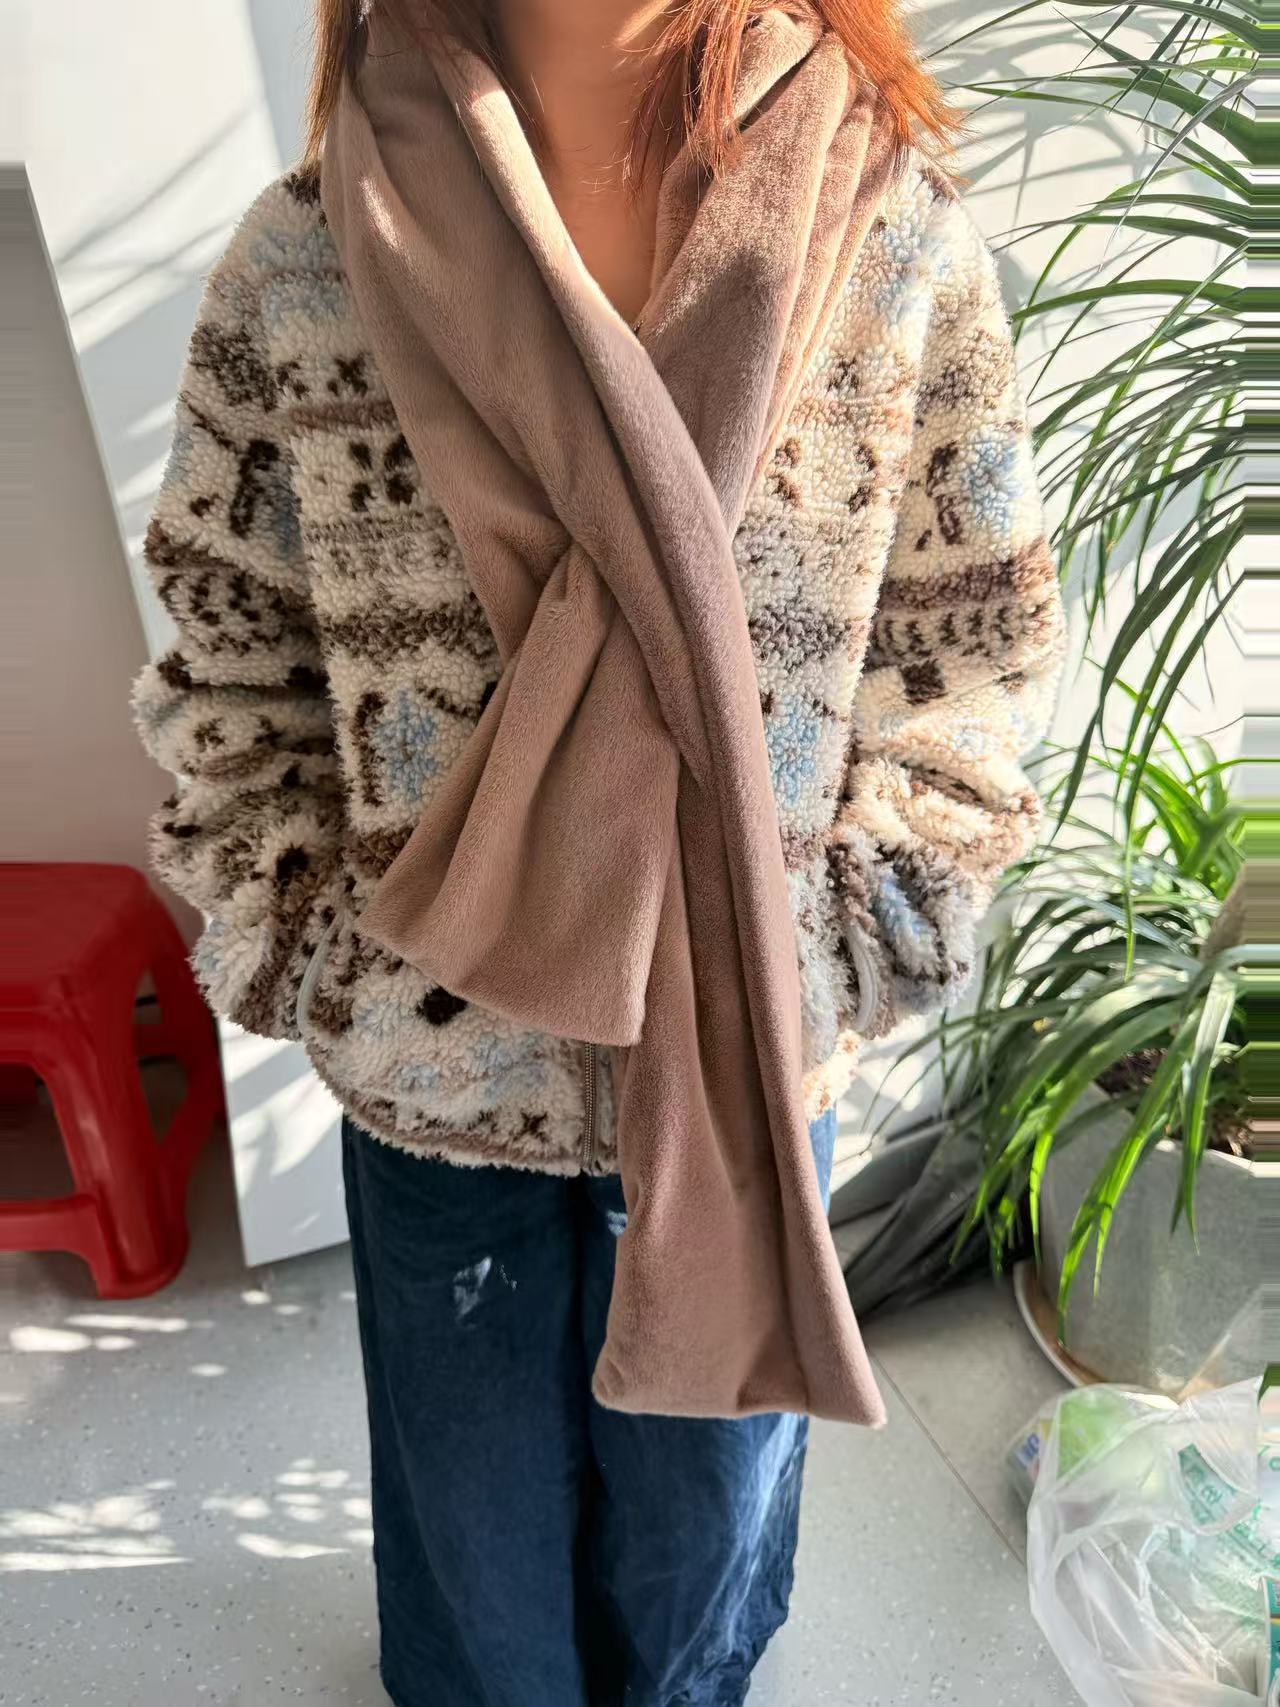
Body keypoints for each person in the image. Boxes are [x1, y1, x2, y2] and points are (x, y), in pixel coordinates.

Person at [133, 0, 1065, 1700]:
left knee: (699, 1566)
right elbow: (229, 651)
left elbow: (971, 655)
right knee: (474, 1588)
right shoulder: (313, 256)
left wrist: (837, 942)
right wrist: (333, 963)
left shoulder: (891, 239)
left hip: (743, 1060)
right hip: (437, 1073)